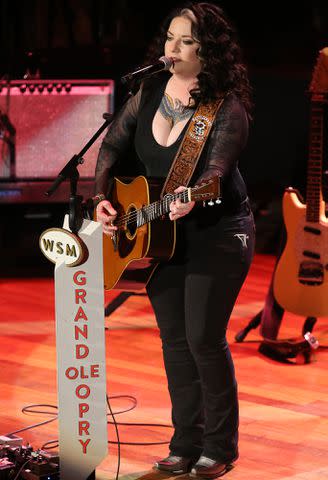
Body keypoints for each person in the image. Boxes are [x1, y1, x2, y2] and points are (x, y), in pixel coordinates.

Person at [95, 2, 255, 478]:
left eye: (187, 40)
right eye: (170, 37)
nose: (174, 48)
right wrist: (102, 196)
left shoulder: (226, 107)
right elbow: (110, 146)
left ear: (209, 52)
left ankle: (219, 447)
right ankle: (184, 443)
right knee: (174, 343)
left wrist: (192, 193)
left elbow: (215, 174)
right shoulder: (147, 91)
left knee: (204, 339)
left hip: (218, 231)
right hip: (160, 234)